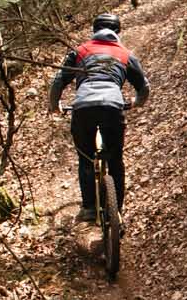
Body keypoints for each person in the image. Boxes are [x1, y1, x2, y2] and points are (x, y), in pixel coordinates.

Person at [49, 12, 150, 222]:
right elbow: (143, 86)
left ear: (95, 31)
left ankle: (89, 208)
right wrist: (136, 103)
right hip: (113, 106)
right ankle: (117, 212)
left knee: (85, 157)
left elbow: (59, 81)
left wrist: (55, 105)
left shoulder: (81, 51)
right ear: (117, 32)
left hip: (83, 106)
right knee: (115, 160)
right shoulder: (125, 54)